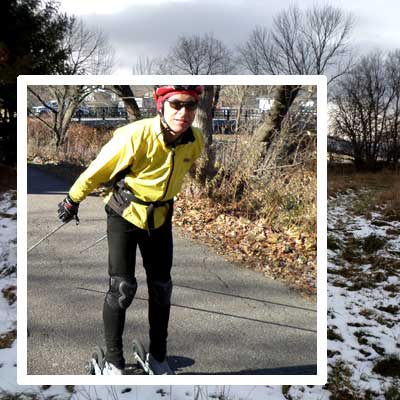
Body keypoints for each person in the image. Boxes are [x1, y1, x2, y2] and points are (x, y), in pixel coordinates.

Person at [57, 85, 204, 375]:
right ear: (161, 105)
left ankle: (158, 357)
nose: (183, 112)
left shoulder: (195, 140)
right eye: (176, 104)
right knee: (122, 289)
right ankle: (114, 361)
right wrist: (72, 199)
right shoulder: (134, 136)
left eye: (190, 106)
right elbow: (97, 170)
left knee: (162, 288)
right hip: (124, 213)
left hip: (160, 218)